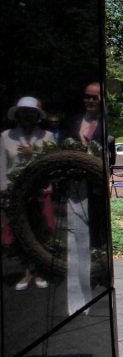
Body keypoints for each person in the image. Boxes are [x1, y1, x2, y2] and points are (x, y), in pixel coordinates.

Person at [0, 96, 55, 290]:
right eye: (23, 113)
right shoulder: (6, 137)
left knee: (40, 231)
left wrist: (34, 153)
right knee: (21, 234)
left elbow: (52, 162)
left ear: (37, 116)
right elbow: (2, 166)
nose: (27, 117)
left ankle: (40, 270)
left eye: (31, 113)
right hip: (16, 192)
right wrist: (3, 193)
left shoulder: (46, 137)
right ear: (17, 115)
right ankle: (25, 272)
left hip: (41, 191)